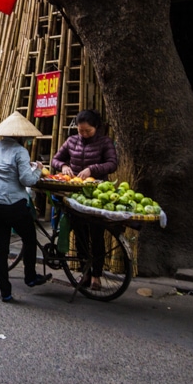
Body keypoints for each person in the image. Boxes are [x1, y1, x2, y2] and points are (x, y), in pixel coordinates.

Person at [0, 111, 52, 302]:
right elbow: (27, 180)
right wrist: (39, 170)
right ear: (21, 136)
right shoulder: (20, 151)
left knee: (1, 249)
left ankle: (5, 292)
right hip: (14, 204)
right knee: (30, 239)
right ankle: (30, 277)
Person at [51, 109, 118, 290]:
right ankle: (85, 272)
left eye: (87, 131)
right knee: (80, 234)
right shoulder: (72, 141)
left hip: (96, 194)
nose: (83, 134)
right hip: (75, 194)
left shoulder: (105, 142)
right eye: (81, 131)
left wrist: (92, 169)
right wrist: (63, 166)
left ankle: (96, 275)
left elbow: (112, 164)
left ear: (96, 127)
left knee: (96, 235)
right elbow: (55, 160)